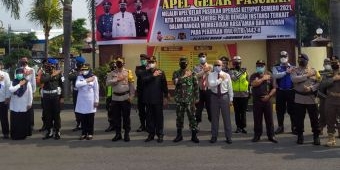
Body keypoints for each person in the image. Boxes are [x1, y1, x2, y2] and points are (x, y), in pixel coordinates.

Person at [291, 54, 321, 145]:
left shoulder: (314, 70)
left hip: (311, 98)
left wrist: (311, 88)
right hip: (299, 98)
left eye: (302, 59)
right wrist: (307, 75)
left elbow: (319, 82)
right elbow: (294, 79)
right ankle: (300, 136)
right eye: (299, 59)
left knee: (314, 118)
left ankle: (316, 136)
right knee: (299, 119)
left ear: (307, 60)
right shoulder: (294, 70)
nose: (300, 61)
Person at [106, 57, 135, 142]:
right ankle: (118, 134)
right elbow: (107, 83)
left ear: (124, 63)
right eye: (117, 62)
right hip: (115, 98)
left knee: (126, 117)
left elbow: (131, 85)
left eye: (120, 62)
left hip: (125, 98)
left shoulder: (128, 72)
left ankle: (126, 133)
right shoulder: (112, 73)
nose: (119, 64)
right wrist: (117, 79)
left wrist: (132, 96)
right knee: (116, 117)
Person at [249, 60, 278, 143]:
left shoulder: (270, 75)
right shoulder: (253, 75)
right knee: (257, 119)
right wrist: (263, 79)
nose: (260, 67)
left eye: (261, 66)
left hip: (267, 100)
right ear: (256, 67)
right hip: (257, 101)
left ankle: (271, 135)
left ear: (264, 66)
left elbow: (274, 88)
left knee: (269, 119)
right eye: (258, 66)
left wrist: (268, 96)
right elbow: (253, 84)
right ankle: (257, 135)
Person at [172, 57, 199, 143]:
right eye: (182, 62)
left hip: (190, 101)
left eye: (185, 63)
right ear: (179, 63)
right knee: (179, 118)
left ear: (187, 63)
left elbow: (196, 86)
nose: (183, 64)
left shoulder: (193, 73)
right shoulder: (176, 73)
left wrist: (197, 98)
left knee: (192, 118)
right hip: (179, 100)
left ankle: (194, 136)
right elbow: (175, 82)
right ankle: (179, 136)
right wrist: (184, 76)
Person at [143, 56, 169, 143]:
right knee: (149, 118)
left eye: (152, 62)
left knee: (159, 118)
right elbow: (144, 81)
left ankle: (160, 134)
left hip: (158, 99)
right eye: (149, 62)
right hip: (148, 99)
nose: (151, 64)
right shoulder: (145, 73)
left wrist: (165, 96)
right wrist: (153, 76)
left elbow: (164, 85)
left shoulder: (161, 72)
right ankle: (151, 134)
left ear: (156, 63)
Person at [208, 60, 233, 144]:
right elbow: (211, 84)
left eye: (219, 65)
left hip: (224, 97)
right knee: (214, 118)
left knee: (227, 118)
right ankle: (214, 136)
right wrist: (220, 80)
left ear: (222, 66)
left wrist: (231, 99)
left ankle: (228, 137)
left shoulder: (227, 75)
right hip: (214, 97)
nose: (217, 66)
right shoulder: (211, 75)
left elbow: (230, 88)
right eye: (215, 65)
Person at [272, 51, 296, 135]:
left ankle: (294, 127)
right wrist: (286, 72)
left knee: (292, 110)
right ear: (279, 57)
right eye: (281, 56)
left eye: (285, 56)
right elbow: (275, 75)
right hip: (280, 91)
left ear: (288, 57)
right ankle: (280, 127)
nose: (283, 57)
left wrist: (290, 71)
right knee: (280, 110)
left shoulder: (293, 67)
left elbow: (295, 77)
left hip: (291, 91)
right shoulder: (276, 67)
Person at [40, 59, 64, 140]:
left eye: (50, 65)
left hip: (55, 96)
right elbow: (42, 80)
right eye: (48, 65)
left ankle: (57, 131)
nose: (49, 67)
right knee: (48, 115)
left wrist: (62, 97)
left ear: (54, 66)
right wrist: (52, 75)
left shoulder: (59, 74)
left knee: (56, 115)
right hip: (46, 96)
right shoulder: (44, 74)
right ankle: (49, 131)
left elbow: (61, 85)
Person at [75, 65, 99, 140]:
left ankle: (90, 133)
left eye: (85, 70)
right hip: (81, 101)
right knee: (83, 118)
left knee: (90, 118)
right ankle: (84, 133)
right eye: (82, 70)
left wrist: (96, 101)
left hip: (90, 101)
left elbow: (96, 90)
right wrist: (87, 80)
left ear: (89, 70)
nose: (84, 71)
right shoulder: (79, 77)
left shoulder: (94, 78)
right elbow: (77, 85)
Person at [9, 68, 33, 140]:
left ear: (23, 74)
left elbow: (30, 94)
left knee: (23, 121)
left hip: (23, 105)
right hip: (14, 106)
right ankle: (14, 136)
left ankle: (23, 135)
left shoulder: (27, 82)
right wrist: (19, 84)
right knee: (15, 122)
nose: (19, 75)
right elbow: (11, 89)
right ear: (16, 74)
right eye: (18, 73)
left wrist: (30, 103)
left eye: (20, 73)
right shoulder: (12, 82)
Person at [320, 59, 340, 146]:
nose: (335, 64)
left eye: (336, 63)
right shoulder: (327, 74)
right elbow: (322, 84)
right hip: (330, 99)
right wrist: (333, 79)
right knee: (330, 119)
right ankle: (331, 139)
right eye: (333, 63)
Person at [229, 56, 249, 134]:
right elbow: (234, 78)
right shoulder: (231, 71)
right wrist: (241, 72)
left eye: (239, 63)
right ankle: (238, 127)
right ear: (234, 63)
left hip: (244, 95)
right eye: (236, 63)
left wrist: (249, 93)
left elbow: (248, 81)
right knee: (237, 112)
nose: (237, 64)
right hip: (235, 95)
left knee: (243, 112)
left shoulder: (245, 72)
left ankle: (243, 127)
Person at [193, 52, 212, 124]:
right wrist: (203, 71)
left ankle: (213, 126)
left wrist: (208, 72)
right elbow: (195, 76)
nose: (202, 58)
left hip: (208, 90)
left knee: (210, 109)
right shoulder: (196, 67)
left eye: (203, 56)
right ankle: (196, 125)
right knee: (198, 109)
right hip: (199, 90)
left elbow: (213, 76)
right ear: (198, 58)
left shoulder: (211, 66)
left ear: (206, 57)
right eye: (200, 57)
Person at [20, 57, 36, 136]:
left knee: (30, 107)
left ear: (27, 62)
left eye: (25, 61)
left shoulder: (31, 69)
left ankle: (31, 124)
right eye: (22, 61)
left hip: (29, 89)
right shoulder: (18, 69)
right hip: (21, 90)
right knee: (23, 107)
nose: (24, 62)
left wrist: (33, 91)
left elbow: (33, 81)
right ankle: (23, 123)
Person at [68, 56, 85, 131]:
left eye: (77, 63)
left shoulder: (86, 70)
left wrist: (80, 73)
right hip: (76, 91)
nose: (76, 64)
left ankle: (84, 123)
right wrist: (78, 74)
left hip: (83, 91)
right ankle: (78, 123)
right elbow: (69, 77)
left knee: (83, 107)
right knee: (76, 108)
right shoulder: (73, 71)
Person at [317, 58, 333, 135]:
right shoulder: (320, 73)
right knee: (322, 112)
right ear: (323, 64)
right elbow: (318, 85)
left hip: (333, 97)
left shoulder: (335, 73)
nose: (327, 64)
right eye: (325, 63)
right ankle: (320, 127)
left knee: (335, 114)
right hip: (323, 96)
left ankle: (336, 129)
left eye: (328, 63)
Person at [135, 54, 148, 132]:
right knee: (141, 110)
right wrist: (147, 71)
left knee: (149, 110)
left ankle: (149, 125)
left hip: (149, 93)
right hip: (141, 93)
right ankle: (142, 125)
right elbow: (139, 74)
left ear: (147, 60)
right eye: (141, 59)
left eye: (143, 59)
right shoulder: (138, 68)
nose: (142, 60)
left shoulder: (151, 68)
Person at [104, 60, 116, 132]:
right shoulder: (108, 74)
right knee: (109, 110)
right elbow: (106, 84)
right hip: (109, 95)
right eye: (112, 65)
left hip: (116, 95)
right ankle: (111, 125)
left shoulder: (118, 73)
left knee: (117, 111)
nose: (113, 67)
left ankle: (117, 125)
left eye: (114, 65)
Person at [0, 62, 11, 139]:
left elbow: (8, 86)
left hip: (3, 99)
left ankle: (6, 133)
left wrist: (7, 97)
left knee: (4, 117)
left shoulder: (5, 74)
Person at [36, 59, 47, 132]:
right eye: (46, 64)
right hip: (44, 90)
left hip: (53, 92)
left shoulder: (54, 70)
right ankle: (45, 125)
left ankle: (52, 125)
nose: (47, 65)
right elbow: (38, 81)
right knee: (45, 109)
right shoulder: (41, 71)